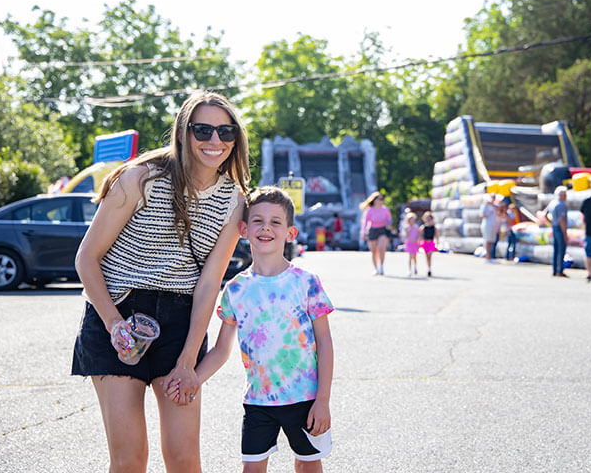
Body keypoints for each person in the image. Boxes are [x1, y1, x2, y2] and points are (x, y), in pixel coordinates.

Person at [71, 90, 249, 472]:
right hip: (117, 314)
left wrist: (188, 361)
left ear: (236, 138)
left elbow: (208, 283)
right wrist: (113, 323)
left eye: (225, 131)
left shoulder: (234, 201)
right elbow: (87, 257)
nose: (214, 141)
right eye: (203, 130)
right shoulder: (139, 179)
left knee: (185, 460)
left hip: (180, 322)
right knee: (130, 459)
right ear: (183, 133)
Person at [175, 186, 334, 473]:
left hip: (305, 399)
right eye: (258, 220)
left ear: (290, 233)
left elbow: (324, 343)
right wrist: (194, 380)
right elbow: (222, 350)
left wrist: (322, 400)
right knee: (251, 468)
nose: (266, 228)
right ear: (244, 229)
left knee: (308, 466)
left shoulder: (307, 282)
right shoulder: (236, 289)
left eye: (276, 222)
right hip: (258, 400)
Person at [360, 192, 392, 275]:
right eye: (379, 199)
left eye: (382, 199)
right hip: (372, 230)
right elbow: (365, 222)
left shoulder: (385, 209)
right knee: (374, 251)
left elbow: (389, 219)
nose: (381, 201)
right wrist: (363, 233)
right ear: (374, 200)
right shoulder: (369, 210)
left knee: (382, 248)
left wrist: (389, 224)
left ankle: (381, 266)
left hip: (382, 229)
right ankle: (376, 268)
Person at [547, 186, 569, 277]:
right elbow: (561, 220)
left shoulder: (552, 203)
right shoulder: (561, 205)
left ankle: (555, 269)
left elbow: (544, 214)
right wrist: (565, 233)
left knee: (556, 249)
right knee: (561, 249)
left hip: (554, 226)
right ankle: (560, 270)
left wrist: (550, 222)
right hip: (559, 228)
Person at [480, 193, 499, 263]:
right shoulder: (485, 205)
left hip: (493, 225)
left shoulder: (494, 206)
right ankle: (487, 257)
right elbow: (481, 214)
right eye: (492, 197)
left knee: (491, 241)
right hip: (487, 225)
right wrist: (488, 214)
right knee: (487, 241)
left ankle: (490, 257)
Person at [419, 211, 438, 277]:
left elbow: (436, 236)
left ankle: (429, 269)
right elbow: (420, 235)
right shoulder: (423, 227)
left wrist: (437, 243)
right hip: (425, 243)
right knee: (427, 256)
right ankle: (428, 268)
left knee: (430, 256)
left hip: (431, 243)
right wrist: (420, 242)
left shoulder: (434, 228)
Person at [402, 211, 420, 276]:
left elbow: (418, 235)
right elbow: (406, 236)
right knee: (410, 257)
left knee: (414, 257)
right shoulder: (407, 227)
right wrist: (410, 229)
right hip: (409, 243)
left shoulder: (416, 227)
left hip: (415, 243)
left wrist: (418, 240)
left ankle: (415, 267)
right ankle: (409, 270)